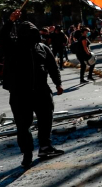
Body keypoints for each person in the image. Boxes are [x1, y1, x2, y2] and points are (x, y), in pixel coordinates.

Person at [1, 10, 65, 168]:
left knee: (46, 119)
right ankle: (27, 154)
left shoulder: (42, 47)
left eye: (33, 33)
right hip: (19, 93)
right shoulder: (12, 47)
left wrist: (58, 83)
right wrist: (10, 21)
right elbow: (1, 37)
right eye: (27, 33)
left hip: (41, 91)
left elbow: (52, 66)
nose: (30, 36)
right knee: (23, 126)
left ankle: (45, 147)